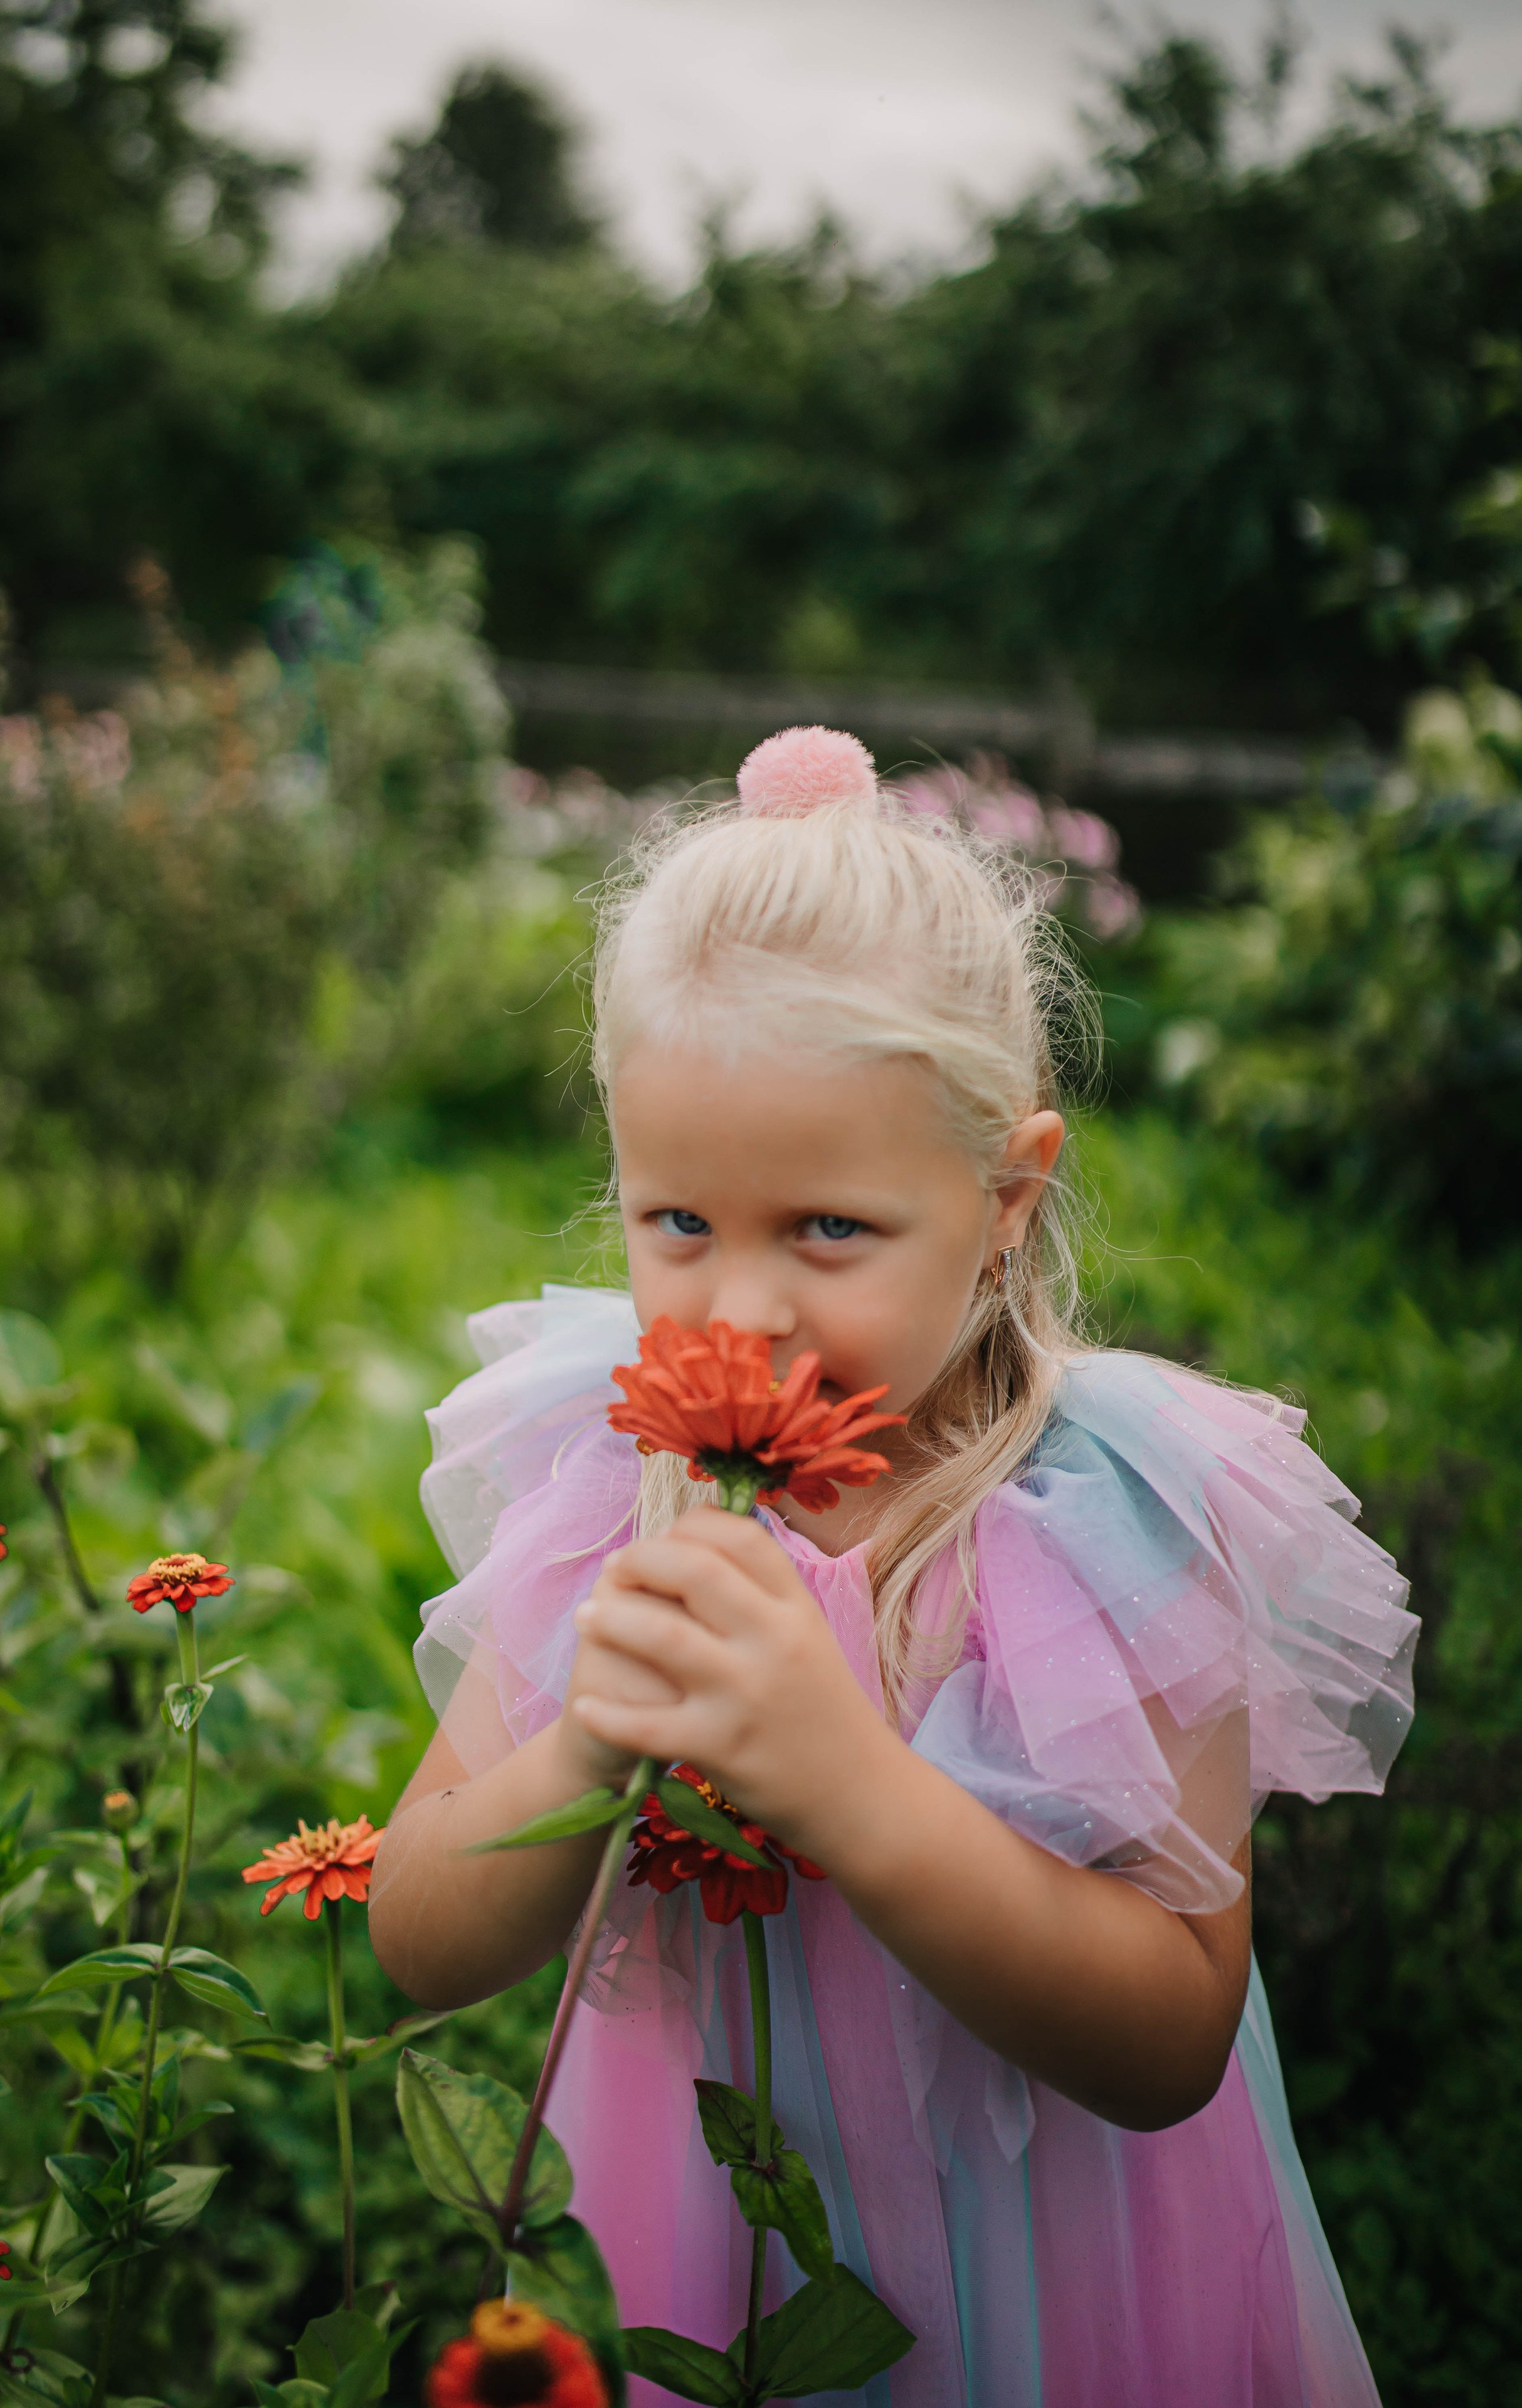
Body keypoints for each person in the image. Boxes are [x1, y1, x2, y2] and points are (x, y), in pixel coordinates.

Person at [369, 726, 1417, 2408]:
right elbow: (416, 1933)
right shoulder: (619, 1492)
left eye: (830, 1231)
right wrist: (583, 1752)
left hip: (1065, 2282)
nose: (740, 1310)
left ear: (1008, 1196)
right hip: (715, 2255)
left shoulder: (1111, 1523)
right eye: (678, 1225)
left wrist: (854, 1787)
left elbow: (1167, 2038)